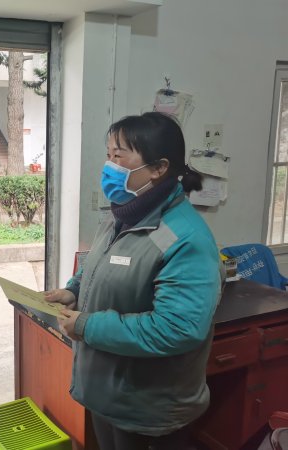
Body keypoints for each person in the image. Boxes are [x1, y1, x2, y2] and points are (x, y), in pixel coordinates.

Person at [45, 112, 222, 450]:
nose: (108, 166)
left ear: (158, 168)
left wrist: (87, 326)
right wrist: (73, 289)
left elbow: (176, 329)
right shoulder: (123, 213)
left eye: (119, 156)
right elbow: (99, 262)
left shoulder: (186, 238)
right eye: (108, 155)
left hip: (148, 410)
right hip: (110, 396)